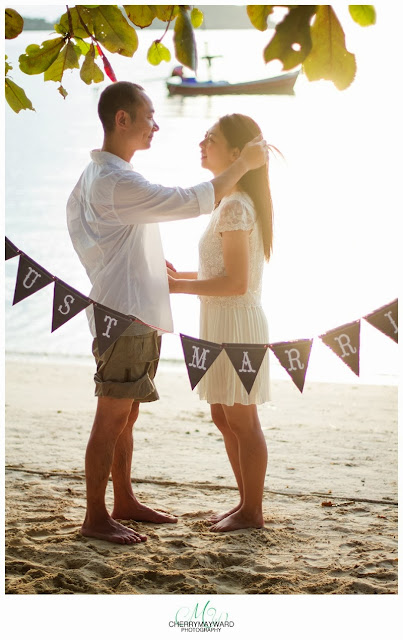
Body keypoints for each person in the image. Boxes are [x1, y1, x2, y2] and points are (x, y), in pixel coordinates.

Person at [66, 82, 268, 545]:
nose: (156, 125)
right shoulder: (117, 180)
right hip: (127, 311)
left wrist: (127, 264)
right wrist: (244, 164)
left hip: (129, 306)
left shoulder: (98, 175)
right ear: (123, 120)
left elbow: (86, 226)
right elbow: (183, 201)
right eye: (149, 116)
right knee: (111, 417)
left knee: (126, 416)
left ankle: (123, 500)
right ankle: (96, 517)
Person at [168, 114, 273, 532]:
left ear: (236, 153)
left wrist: (177, 289)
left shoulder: (234, 205)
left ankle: (252, 512)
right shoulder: (229, 201)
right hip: (220, 321)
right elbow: (217, 270)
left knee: (242, 420)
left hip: (236, 324)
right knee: (222, 415)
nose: (201, 142)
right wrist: (178, 278)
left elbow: (235, 283)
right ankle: (245, 502)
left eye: (209, 138)